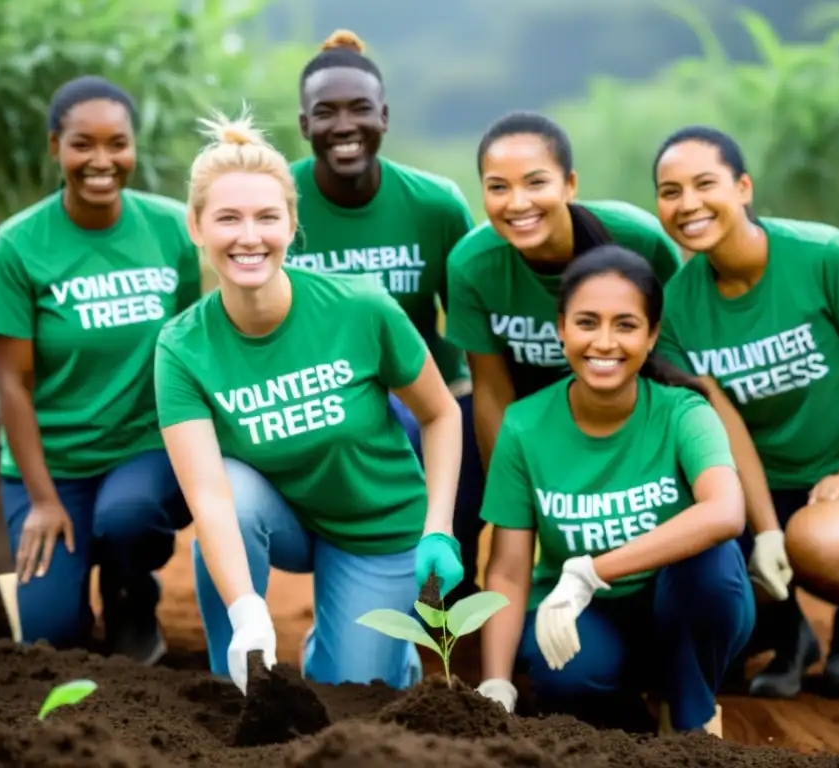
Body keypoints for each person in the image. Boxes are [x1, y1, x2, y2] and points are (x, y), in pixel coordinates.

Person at [154, 109, 465, 695]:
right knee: (232, 492)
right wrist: (248, 610)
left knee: (354, 690)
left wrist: (439, 529)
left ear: (292, 223)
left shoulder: (360, 307)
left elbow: (441, 412)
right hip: (281, 515)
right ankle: (241, 677)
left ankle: (365, 649)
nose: (249, 237)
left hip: (373, 523)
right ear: (196, 227)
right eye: (228, 219)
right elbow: (210, 497)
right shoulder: (182, 346)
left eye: (267, 217)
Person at [651, 125, 839, 698]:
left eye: (705, 184)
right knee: (716, 550)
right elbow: (724, 426)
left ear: (744, 187)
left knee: (817, 546)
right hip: (765, 481)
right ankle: (790, 635)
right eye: (670, 191)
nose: (688, 204)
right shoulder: (675, 306)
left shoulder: (825, 256)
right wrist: (767, 530)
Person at [474, 245, 753, 736]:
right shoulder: (524, 425)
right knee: (568, 679)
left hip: (681, 604)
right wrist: (496, 683)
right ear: (561, 328)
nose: (604, 342)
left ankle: (690, 712)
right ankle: (631, 704)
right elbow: (509, 570)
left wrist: (591, 570)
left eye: (625, 325)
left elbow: (726, 512)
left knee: (710, 567)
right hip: (587, 614)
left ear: (652, 335)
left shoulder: (683, 412)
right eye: (587, 323)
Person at [0, 75, 201, 664]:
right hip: (54, 464)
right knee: (50, 640)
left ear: (133, 147)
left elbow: (196, 347)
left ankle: (131, 592)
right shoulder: (18, 245)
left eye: (116, 143)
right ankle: (54, 586)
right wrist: (44, 501)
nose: (102, 161)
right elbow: (11, 385)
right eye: (82, 144)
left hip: (143, 448)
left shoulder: (173, 228)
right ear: (56, 148)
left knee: (125, 519)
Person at [288, 29, 485, 605]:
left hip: (433, 390)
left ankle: (447, 580)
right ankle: (361, 578)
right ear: (303, 125)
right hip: (328, 397)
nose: (344, 125)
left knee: (461, 427)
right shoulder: (280, 203)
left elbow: (471, 327)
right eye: (325, 112)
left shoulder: (435, 204)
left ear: (386, 117)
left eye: (360, 109)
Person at [444, 112, 683, 473]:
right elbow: (492, 392)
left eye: (535, 183)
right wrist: (509, 495)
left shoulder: (640, 240)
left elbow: (676, 351)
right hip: (530, 411)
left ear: (570, 184)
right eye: (498, 187)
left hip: (628, 399)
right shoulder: (471, 265)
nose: (518, 203)